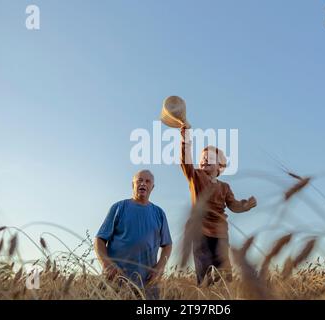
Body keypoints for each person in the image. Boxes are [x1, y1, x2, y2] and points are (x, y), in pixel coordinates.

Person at [180, 126, 257, 286]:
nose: (205, 159)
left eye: (210, 158)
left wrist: (246, 205)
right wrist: (185, 142)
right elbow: (186, 163)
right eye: (202, 157)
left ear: (220, 166)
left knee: (225, 275)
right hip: (200, 233)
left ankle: (223, 297)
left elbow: (234, 205)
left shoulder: (225, 187)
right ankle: (206, 298)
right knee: (204, 273)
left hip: (221, 235)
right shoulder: (196, 177)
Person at [94, 170, 172, 298]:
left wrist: (160, 267)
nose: (143, 183)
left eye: (147, 181)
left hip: (147, 283)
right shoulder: (119, 207)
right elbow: (99, 239)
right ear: (133, 185)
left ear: (152, 187)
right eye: (139, 180)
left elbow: (167, 245)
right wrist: (106, 264)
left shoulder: (159, 213)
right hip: (116, 280)